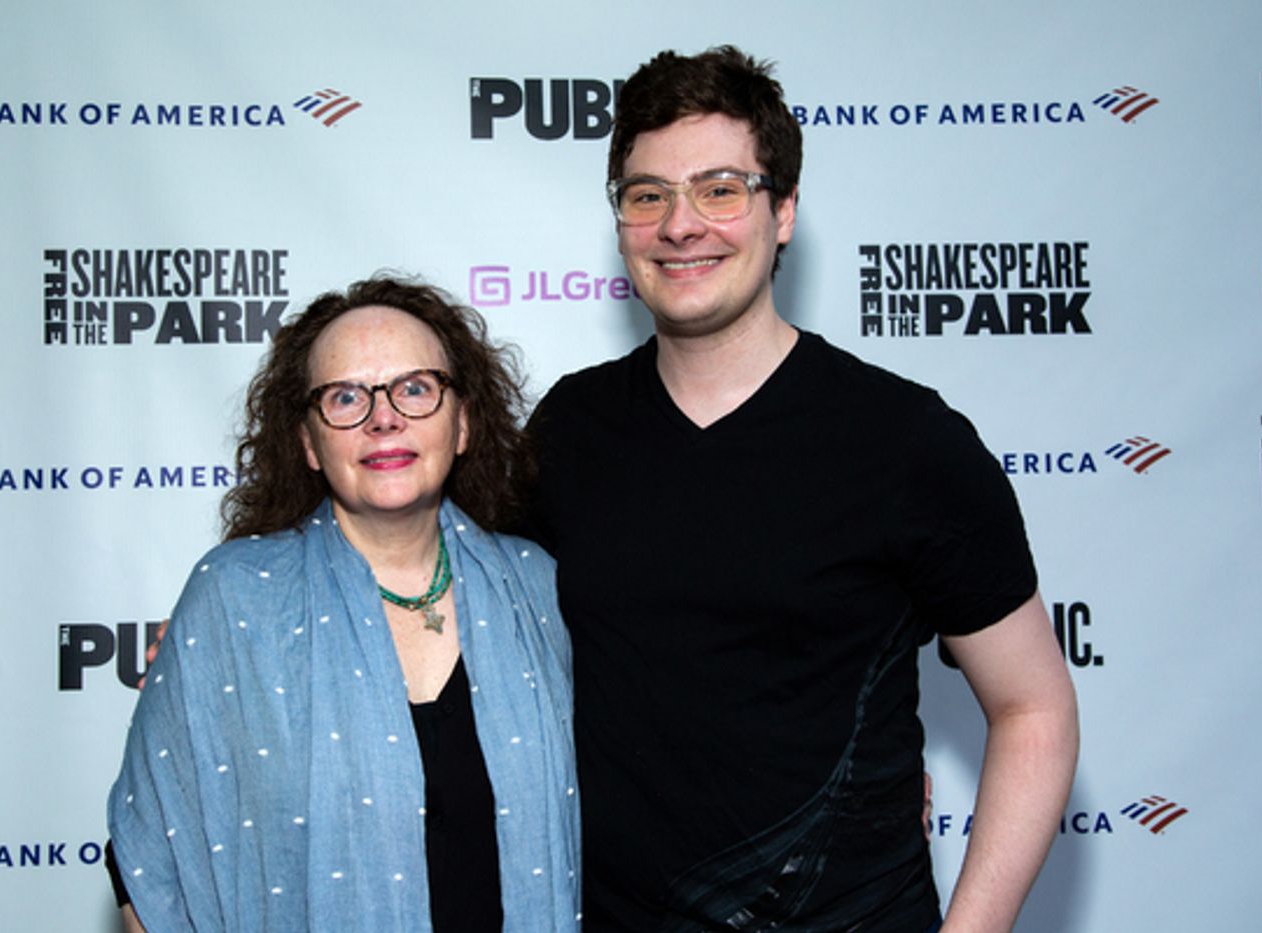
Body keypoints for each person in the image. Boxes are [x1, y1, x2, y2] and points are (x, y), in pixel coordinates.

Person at [523, 47, 1079, 931]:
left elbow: (1035, 707)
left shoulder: (905, 440)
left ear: (782, 212)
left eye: (719, 188)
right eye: (647, 194)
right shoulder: (566, 431)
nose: (680, 224)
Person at [106, 276, 580, 932]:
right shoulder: (234, 600)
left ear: (463, 421)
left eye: (416, 388)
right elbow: (152, 864)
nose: (383, 417)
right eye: (346, 397)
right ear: (307, 441)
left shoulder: (538, 589)